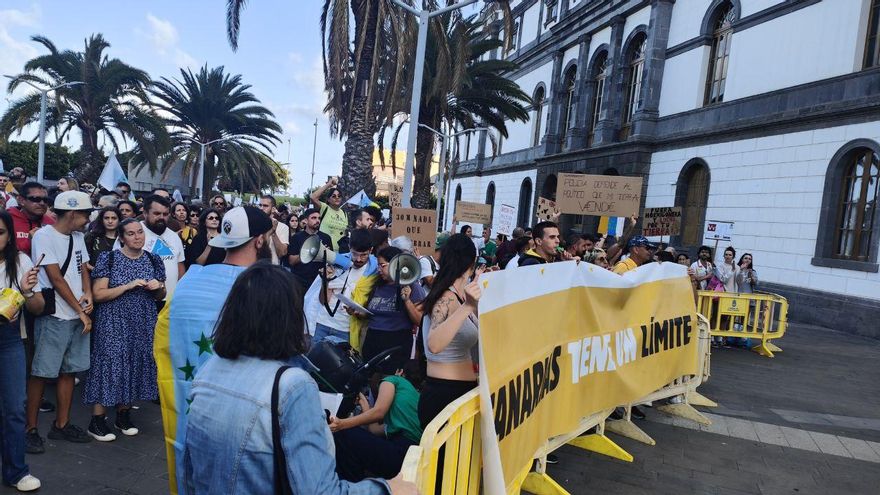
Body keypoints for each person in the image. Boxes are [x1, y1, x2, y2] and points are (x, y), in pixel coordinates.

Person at [182, 263, 414, 494]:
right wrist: (389, 489)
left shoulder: (208, 370)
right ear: (289, 317)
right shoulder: (292, 385)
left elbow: (190, 475)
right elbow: (318, 491)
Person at [154, 205, 272, 495]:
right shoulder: (262, 289)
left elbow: (162, 337)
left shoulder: (189, 281)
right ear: (259, 241)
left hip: (188, 402)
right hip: (241, 416)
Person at [85, 219, 166, 442]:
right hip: (113, 321)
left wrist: (158, 287)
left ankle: (123, 415)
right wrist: (128, 286)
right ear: (122, 237)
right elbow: (99, 294)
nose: (137, 237)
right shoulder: (109, 258)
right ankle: (97, 420)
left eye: (140, 232)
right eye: (131, 233)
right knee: (109, 365)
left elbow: (161, 295)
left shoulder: (153, 259)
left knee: (134, 363)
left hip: (143, 321)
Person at [26, 191, 95, 451]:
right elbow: (55, 278)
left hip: (78, 313)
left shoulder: (78, 237)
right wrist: (80, 309)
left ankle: (62, 424)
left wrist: (87, 295)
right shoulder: (44, 236)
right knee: (41, 373)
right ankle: (30, 428)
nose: (89, 219)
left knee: (69, 371)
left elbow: (83, 268)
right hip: (56, 315)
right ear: (73, 213)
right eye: (86, 214)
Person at [418, 233, 481, 429]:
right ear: (471, 261)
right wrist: (468, 307)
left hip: (459, 393)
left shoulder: (460, 295)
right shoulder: (446, 297)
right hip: (444, 396)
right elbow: (434, 344)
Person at [0, 211, 44, 492]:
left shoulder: (21, 262)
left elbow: (38, 307)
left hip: (9, 340)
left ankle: (16, 471)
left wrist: (27, 293)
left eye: (1, 232)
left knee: (15, 408)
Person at [330, 361, 423, 482]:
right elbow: (374, 430)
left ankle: (351, 488)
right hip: (410, 459)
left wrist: (341, 424)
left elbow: (379, 411)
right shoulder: (413, 400)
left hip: (400, 454)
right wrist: (364, 404)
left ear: (400, 372)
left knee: (344, 435)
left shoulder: (393, 380)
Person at [353, 246, 426, 374]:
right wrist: (361, 313)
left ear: (395, 265)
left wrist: (407, 300)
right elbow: (374, 313)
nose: (379, 270)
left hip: (396, 344)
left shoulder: (412, 287)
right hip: (372, 341)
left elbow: (420, 320)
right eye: (378, 266)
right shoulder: (377, 285)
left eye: (382, 265)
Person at [117, 195, 185, 306]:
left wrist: (180, 294)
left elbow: (180, 267)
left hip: (169, 302)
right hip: (138, 303)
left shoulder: (174, 236)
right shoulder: (132, 233)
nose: (161, 217)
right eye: (157, 213)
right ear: (145, 213)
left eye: (165, 214)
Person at [313, 229, 376, 344]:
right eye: (355, 253)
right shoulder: (337, 261)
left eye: (363, 255)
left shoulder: (375, 271)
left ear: (371, 250)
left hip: (346, 330)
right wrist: (325, 281)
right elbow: (323, 301)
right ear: (349, 246)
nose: (358, 259)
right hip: (323, 323)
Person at [288, 208, 333, 293]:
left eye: (319, 218)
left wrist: (327, 254)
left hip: (319, 281)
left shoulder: (326, 238)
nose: (317, 221)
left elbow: (331, 263)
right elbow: (291, 261)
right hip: (300, 281)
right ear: (305, 220)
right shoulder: (296, 237)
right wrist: (310, 253)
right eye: (313, 218)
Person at [9, 182, 54, 258]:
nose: (42, 203)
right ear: (21, 200)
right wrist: (29, 241)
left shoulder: (51, 223)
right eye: (36, 199)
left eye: (45, 200)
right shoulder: (6, 219)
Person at [310, 177, 348, 250]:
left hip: (340, 252)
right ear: (328, 199)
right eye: (333, 196)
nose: (337, 198)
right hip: (324, 249)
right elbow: (313, 197)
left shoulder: (344, 213)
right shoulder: (325, 208)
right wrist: (328, 185)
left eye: (339, 196)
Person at [258, 194, 289, 265]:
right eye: (260, 205)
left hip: (271, 270)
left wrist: (273, 232)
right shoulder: (252, 223)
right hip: (252, 268)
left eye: (265, 206)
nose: (261, 208)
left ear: (273, 209)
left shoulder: (283, 227)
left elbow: (282, 253)